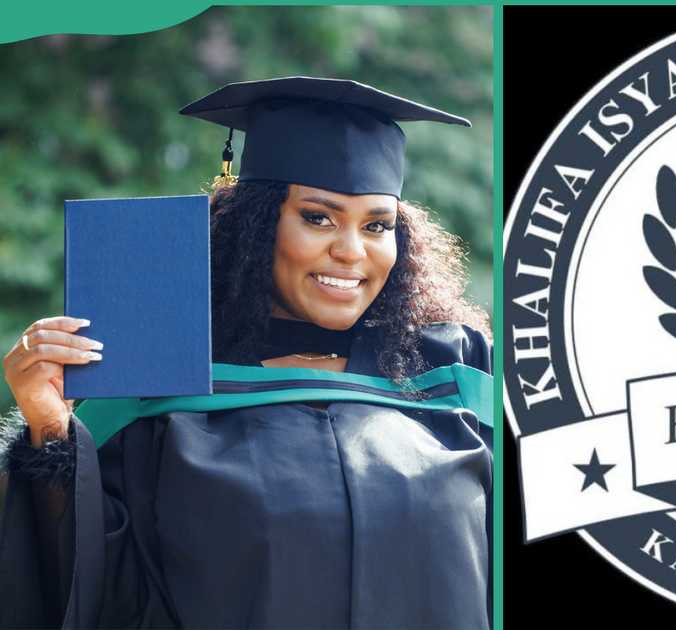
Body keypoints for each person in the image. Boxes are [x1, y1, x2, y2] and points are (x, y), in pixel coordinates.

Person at [0, 77, 493, 629]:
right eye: (317, 217)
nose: (351, 251)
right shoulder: (163, 384)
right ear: (257, 225)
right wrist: (49, 430)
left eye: (377, 225)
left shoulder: (455, 371)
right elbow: (96, 592)